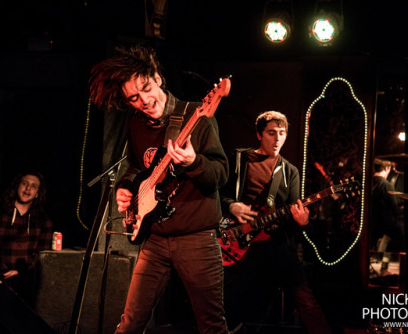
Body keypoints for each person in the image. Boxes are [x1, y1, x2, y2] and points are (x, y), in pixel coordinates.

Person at [89, 44, 229, 333]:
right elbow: (136, 166)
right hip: (154, 239)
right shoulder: (137, 124)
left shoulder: (198, 116)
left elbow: (221, 174)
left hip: (196, 240)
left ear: (157, 77)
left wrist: (192, 161)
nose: (144, 100)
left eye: (146, 88)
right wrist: (125, 188)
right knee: (129, 325)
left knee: (211, 326)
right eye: (134, 98)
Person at [219, 111, 331, 333]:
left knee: (304, 295)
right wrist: (232, 205)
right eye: (272, 133)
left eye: (282, 133)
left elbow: (293, 212)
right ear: (259, 135)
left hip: (274, 243)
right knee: (231, 303)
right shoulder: (240, 159)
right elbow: (216, 193)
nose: (278, 138)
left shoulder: (290, 172)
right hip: (237, 241)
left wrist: (303, 221)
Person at [0, 171, 53, 306]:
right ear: (17, 187)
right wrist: (4, 270)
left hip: (26, 282)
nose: (28, 188)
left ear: (37, 194)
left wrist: (21, 271)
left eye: (33, 186)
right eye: (24, 183)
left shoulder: (43, 221)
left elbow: (43, 255)